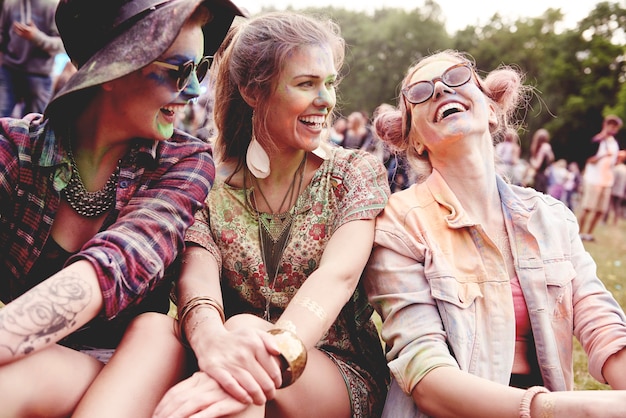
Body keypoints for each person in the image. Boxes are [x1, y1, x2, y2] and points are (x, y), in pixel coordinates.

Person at [70, 10, 391, 418]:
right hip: (231, 367)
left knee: (245, 333)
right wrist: (216, 350)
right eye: (306, 84)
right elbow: (196, 285)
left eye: (328, 83)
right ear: (253, 92)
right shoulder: (207, 186)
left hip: (330, 370)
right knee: (154, 328)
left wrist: (264, 354)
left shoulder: (351, 172)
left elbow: (337, 276)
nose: (326, 99)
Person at [0, 0, 244, 416]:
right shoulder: (15, 148)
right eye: (177, 71)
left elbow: (120, 260)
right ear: (113, 69)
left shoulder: (185, 161)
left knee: (155, 332)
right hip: (35, 358)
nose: (195, 90)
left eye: (200, 69)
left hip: (136, 366)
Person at [364, 49, 626, 418]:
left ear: (490, 110)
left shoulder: (551, 217)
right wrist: (568, 409)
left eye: (456, 77)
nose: (441, 89)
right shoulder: (398, 223)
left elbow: (603, 326)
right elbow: (426, 375)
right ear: (416, 140)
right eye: (420, 92)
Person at [0, 0, 65, 117]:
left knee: (34, 125)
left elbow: (62, 45)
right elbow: (2, 34)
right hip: (9, 69)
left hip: (39, 75)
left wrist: (36, 37)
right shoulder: (9, 3)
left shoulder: (53, 5)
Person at [578, 115, 623, 241]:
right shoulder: (597, 141)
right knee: (588, 207)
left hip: (607, 181)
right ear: (605, 125)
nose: (613, 128)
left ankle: (589, 233)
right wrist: (603, 156)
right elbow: (588, 159)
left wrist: (619, 158)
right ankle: (580, 233)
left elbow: (613, 163)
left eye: (615, 126)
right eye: (611, 125)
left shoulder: (614, 144)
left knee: (600, 210)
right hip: (593, 179)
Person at [528, 127, 554, 194]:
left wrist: (532, 161)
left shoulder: (542, 148)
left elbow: (537, 165)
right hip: (544, 176)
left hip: (540, 177)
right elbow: (552, 158)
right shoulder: (547, 147)